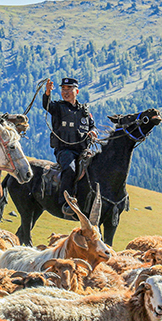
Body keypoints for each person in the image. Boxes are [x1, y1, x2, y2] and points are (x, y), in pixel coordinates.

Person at [42, 77, 97, 219]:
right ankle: (65, 203)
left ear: (76, 91)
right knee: (70, 169)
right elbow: (47, 105)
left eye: (69, 89)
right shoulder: (58, 107)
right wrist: (48, 92)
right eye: (63, 89)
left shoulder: (84, 110)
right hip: (65, 150)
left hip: (84, 151)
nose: (65, 92)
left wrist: (93, 132)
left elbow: (92, 125)